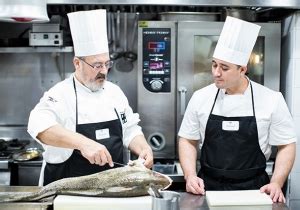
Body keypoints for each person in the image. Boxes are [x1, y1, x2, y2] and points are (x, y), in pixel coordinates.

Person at [27, 9, 153, 186]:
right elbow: (38, 126)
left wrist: (143, 148)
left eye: (107, 64)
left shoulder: (114, 92)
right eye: (97, 65)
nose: (103, 71)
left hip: (111, 189)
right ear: (77, 63)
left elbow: (130, 129)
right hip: (68, 193)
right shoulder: (60, 94)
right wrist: (84, 143)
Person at [178, 16, 296, 203]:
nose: (216, 73)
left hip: (255, 191)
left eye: (224, 68)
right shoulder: (200, 97)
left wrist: (276, 182)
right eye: (214, 64)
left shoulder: (271, 99)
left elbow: (287, 145)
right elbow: (187, 139)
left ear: (243, 69)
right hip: (207, 189)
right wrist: (190, 175)